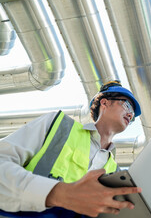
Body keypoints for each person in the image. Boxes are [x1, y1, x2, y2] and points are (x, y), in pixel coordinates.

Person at [0, 81, 142, 217]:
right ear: (104, 102)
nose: (130, 114)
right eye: (127, 106)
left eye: (133, 115)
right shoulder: (59, 126)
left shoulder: (116, 172)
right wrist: (58, 194)